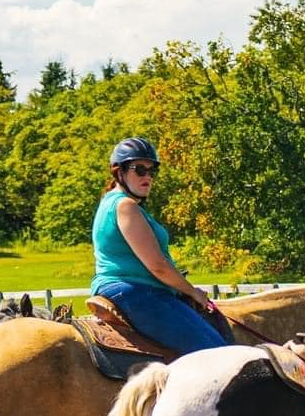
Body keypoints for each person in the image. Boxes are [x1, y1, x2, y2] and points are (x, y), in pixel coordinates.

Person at [91, 137, 229, 354]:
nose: (147, 176)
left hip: (130, 290)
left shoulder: (109, 202)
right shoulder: (126, 206)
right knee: (221, 354)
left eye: (151, 171)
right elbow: (158, 266)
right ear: (120, 172)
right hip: (138, 292)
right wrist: (193, 292)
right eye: (139, 170)